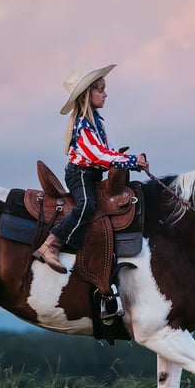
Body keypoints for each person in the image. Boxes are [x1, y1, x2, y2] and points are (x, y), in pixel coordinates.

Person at [33, 63, 149, 273]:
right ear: (87, 95)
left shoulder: (96, 123)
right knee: (87, 204)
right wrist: (130, 160)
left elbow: (107, 152)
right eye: (100, 90)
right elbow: (97, 155)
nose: (106, 94)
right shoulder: (83, 125)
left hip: (91, 174)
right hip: (80, 175)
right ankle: (52, 245)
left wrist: (130, 162)